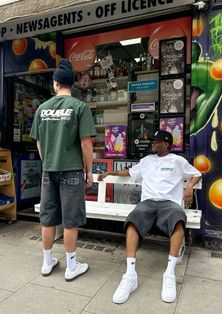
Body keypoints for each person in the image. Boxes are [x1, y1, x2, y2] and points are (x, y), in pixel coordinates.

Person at [98, 130, 201, 304]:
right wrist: (110, 173)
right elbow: (129, 172)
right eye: (153, 141)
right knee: (133, 220)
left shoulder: (177, 161)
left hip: (169, 204)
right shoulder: (146, 161)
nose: (153, 143)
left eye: (156, 141)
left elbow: (197, 174)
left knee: (178, 220)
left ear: (167, 144)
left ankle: (169, 273)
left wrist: (189, 187)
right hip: (147, 203)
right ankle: (130, 275)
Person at [30, 59, 96, 282]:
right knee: (70, 220)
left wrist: (48, 160)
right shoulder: (80, 107)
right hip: (72, 171)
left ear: (56, 83)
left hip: (49, 171)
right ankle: (71, 266)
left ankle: (47, 262)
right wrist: (89, 170)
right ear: (71, 84)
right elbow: (86, 143)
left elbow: (38, 142)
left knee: (47, 218)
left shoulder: (42, 108)